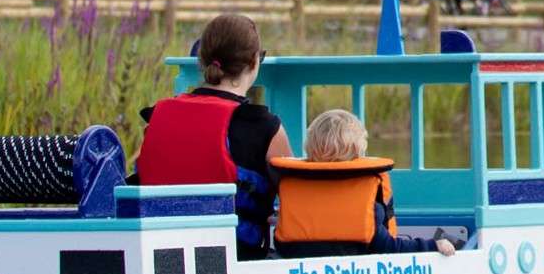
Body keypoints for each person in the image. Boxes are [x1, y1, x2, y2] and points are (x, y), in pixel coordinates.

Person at [134, 14, 292, 261]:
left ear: (201, 60)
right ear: (254, 62)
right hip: (233, 261)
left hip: (160, 258)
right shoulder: (264, 127)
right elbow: (295, 200)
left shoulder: (157, 116)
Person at [273, 110, 456, 259]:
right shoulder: (368, 205)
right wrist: (431, 245)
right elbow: (388, 248)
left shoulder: (297, 189)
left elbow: (282, 245)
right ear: (357, 151)